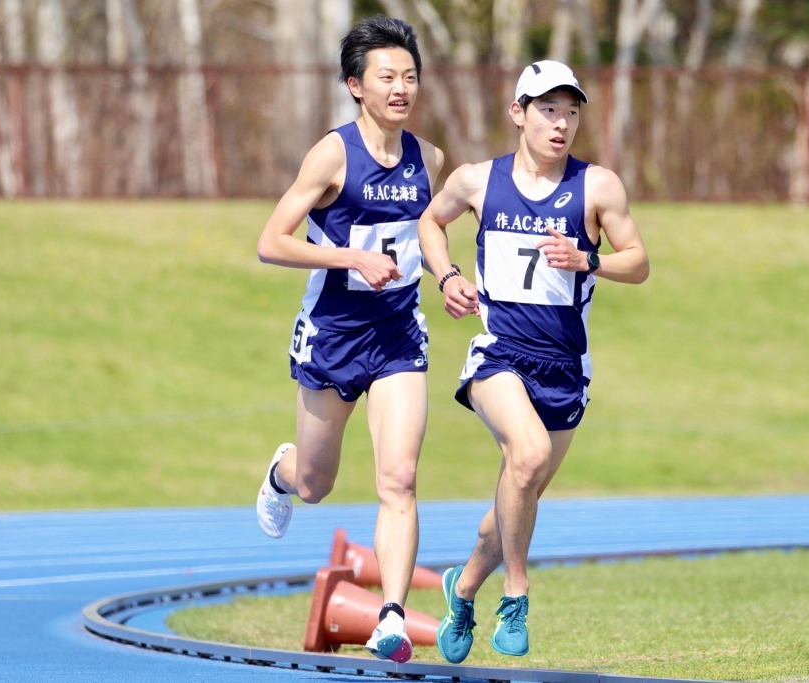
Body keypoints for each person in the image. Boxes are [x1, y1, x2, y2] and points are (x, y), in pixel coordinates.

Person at [417, 60, 649, 662]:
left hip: (566, 366)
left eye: (572, 111)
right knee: (529, 455)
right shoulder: (475, 181)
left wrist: (589, 262)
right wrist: (446, 277)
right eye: (548, 109)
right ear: (518, 113)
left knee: (520, 491)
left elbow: (639, 262)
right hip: (500, 354)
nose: (562, 123)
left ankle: (463, 587)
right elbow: (428, 222)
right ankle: (516, 592)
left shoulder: (598, 186)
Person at [254, 15, 443, 664]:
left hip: (396, 336)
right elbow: (271, 241)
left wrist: (446, 276)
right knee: (316, 483)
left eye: (410, 76)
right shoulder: (333, 154)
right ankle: (281, 474)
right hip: (333, 336)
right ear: (355, 85)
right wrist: (349, 259)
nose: (401, 88)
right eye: (387, 77)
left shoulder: (429, 159)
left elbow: (429, 233)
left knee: (401, 476)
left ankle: (390, 613)